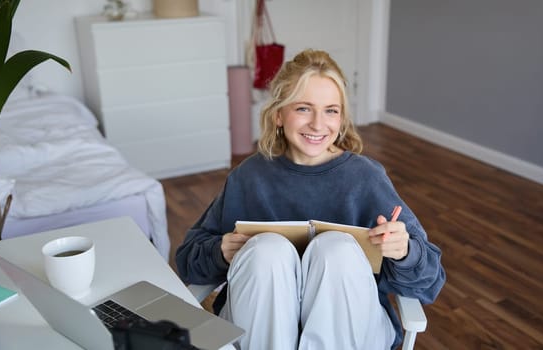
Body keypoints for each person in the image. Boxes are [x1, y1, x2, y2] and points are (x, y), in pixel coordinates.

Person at [175, 49, 445, 350]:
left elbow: (430, 280)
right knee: (267, 251)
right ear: (278, 113)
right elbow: (188, 261)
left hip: (351, 329)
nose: (318, 124)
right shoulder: (249, 177)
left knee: (337, 249)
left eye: (331, 110)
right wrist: (219, 251)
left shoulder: (366, 178)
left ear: (341, 119)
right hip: (258, 329)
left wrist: (405, 251)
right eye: (304, 108)